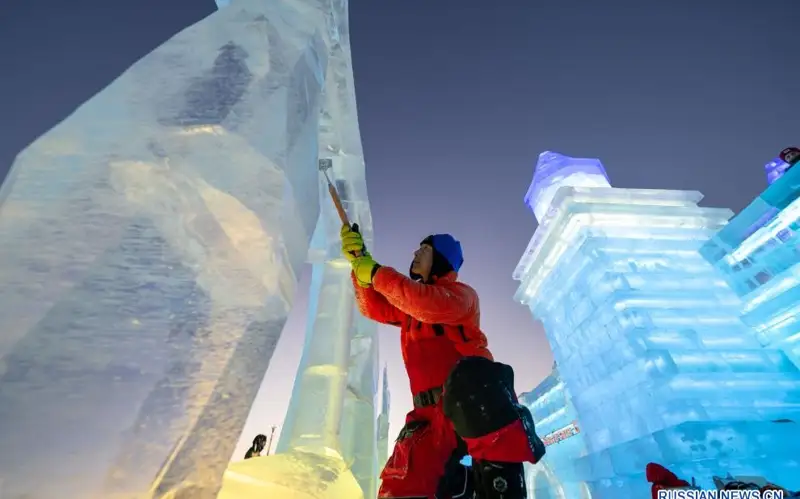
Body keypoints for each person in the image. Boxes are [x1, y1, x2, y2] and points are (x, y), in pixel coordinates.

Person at [341, 224, 546, 499]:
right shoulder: (409, 309)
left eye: (424, 249)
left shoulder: (461, 296)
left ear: (440, 258)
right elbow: (375, 307)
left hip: (471, 412)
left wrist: (376, 273)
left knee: (475, 378)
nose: (415, 253)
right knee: (401, 487)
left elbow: (425, 303)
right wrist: (359, 264)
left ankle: (497, 482)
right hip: (426, 420)